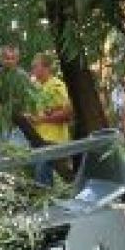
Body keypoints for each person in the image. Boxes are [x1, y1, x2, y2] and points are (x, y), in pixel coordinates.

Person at [25, 52, 74, 185]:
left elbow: (67, 113)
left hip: (53, 140)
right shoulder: (36, 86)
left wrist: (40, 119)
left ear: (46, 68)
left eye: (35, 66)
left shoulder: (57, 85)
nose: (32, 70)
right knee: (40, 178)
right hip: (38, 139)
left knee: (44, 180)